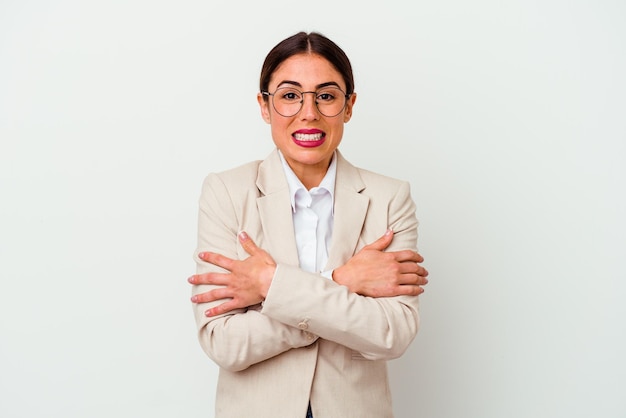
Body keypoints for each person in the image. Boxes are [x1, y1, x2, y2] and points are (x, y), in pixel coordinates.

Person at [188, 31, 429, 418]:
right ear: (264, 107)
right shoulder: (227, 193)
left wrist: (271, 287)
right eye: (289, 95)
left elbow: (392, 334)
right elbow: (225, 343)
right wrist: (343, 281)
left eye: (327, 96)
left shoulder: (389, 198)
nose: (309, 113)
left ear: (349, 106)